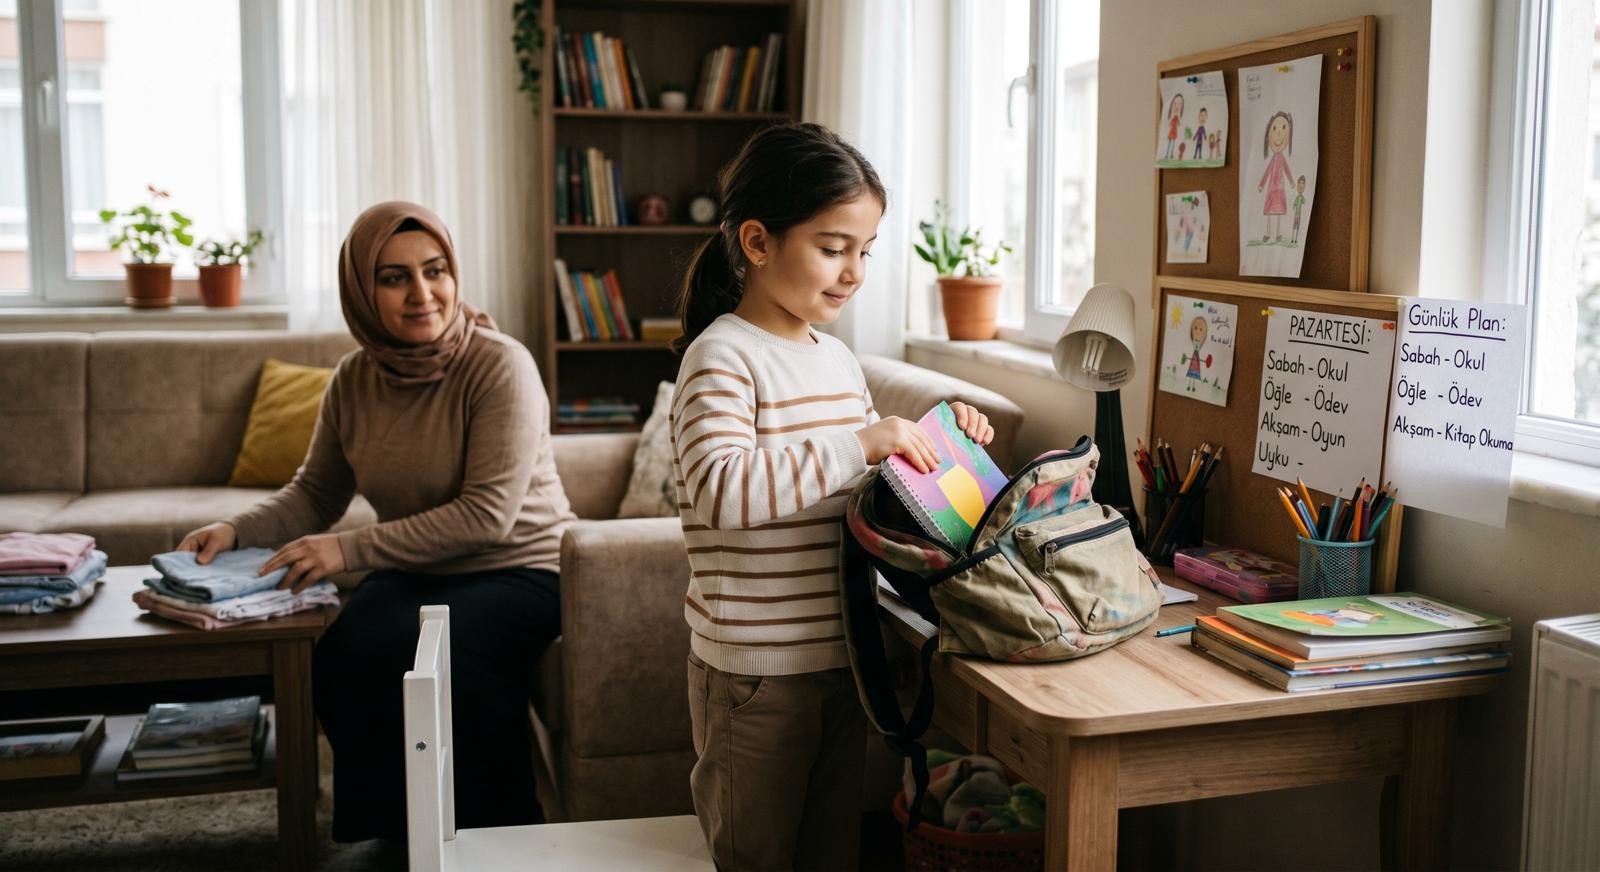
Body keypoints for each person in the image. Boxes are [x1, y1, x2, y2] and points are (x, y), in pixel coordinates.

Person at [177, 201, 575, 842]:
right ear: (362, 293)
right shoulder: (353, 379)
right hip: (418, 568)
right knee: (341, 654)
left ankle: (502, 838)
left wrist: (348, 550)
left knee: (453, 666)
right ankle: (398, 834)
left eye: (435, 271)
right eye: (394, 278)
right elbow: (315, 492)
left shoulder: (501, 365)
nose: (423, 293)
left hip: (521, 568)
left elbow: (488, 516)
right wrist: (236, 530)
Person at [670, 122, 996, 870]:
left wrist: (944, 443)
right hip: (753, 674)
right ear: (756, 242)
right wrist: (865, 441)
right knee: (757, 856)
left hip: (836, 658)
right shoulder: (721, 356)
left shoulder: (838, 360)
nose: (853, 272)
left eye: (865, 251)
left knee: (830, 852)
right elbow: (723, 489)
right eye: (832, 247)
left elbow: (858, 493)